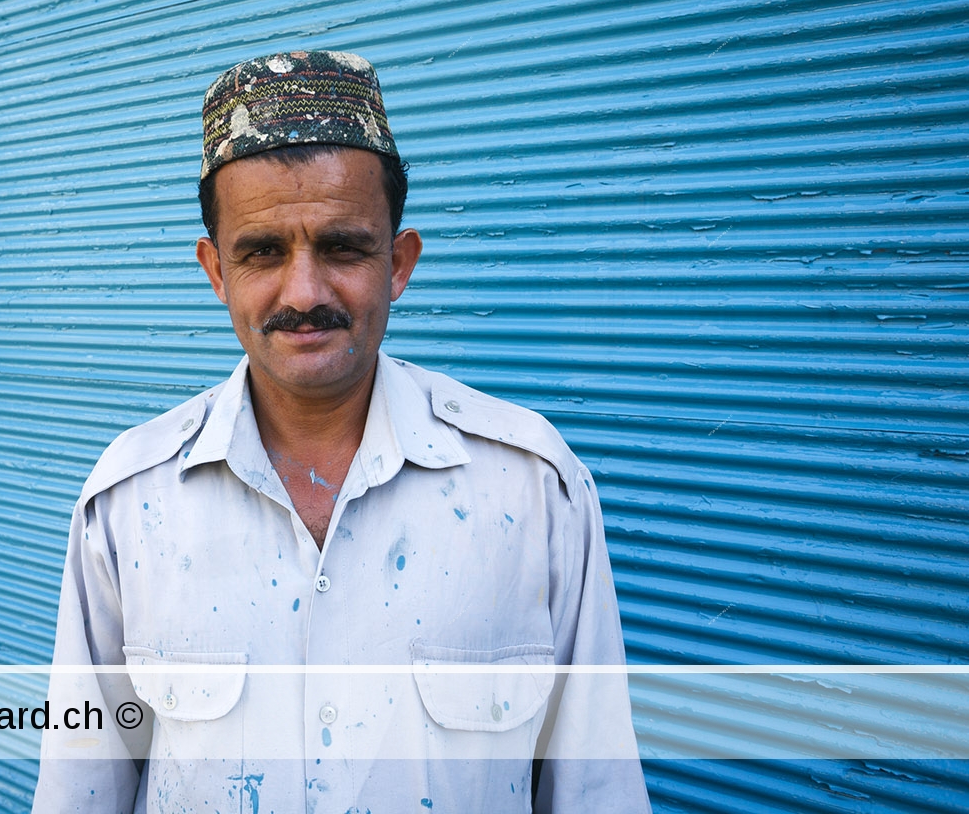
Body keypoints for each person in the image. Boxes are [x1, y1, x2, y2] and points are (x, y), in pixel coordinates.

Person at [33, 50, 651, 813]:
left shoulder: (530, 486)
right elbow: (82, 788)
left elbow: (597, 792)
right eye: (262, 253)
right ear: (216, 272)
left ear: (398, 262)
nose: (305, 291)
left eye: (342, 247)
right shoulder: (127, 503)